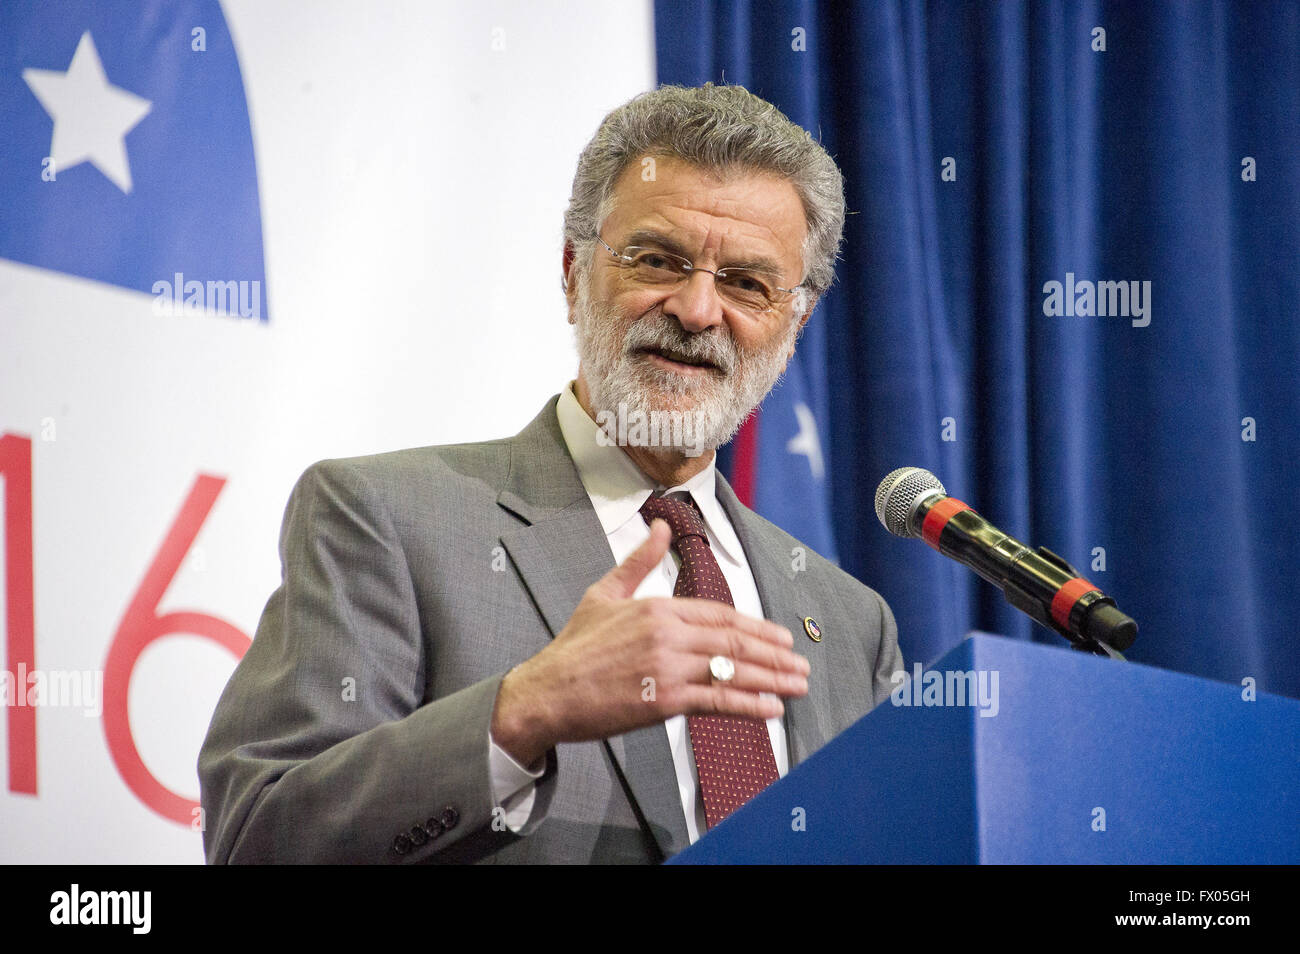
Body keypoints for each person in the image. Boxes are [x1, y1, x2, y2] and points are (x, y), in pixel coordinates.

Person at [198, 82, 903, 864]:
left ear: (794, 321)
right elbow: (258, 837)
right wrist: (526, 708)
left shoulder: (850, 622)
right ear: (573, 271)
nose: (699, 310)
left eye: (746, 283)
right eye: (657, 259)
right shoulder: (383, 518)